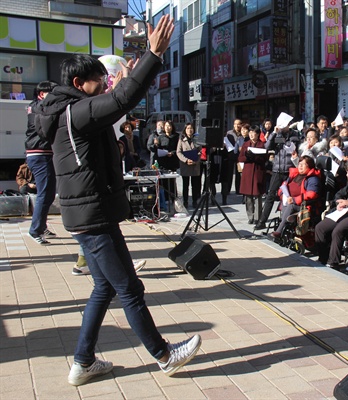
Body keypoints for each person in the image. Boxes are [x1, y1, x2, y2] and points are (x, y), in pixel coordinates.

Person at [35, 15, 201, 386]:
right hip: (92, 215)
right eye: (100, 81)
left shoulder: (70, 112)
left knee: (105, 287)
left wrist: (126, 78)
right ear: (80, 84)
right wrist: (152, 55)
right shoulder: (77, 112)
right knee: (130, 288)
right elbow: (122, 98)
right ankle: (163, 355)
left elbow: (117, 98)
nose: (104, 86)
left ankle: (83, 361)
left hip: (88, 213)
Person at [25, 80, 59, 244]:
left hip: (43, 153)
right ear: (41, 94)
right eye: (51, 92)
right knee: (45, 193)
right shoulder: (39, 108)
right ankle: (35, 230)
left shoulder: (38, 106)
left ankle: (41, 226)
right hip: (39, 154)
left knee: (49, 193)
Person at [254, 126, 300, 230]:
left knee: (288, 196)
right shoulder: (277, 135)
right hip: (277, 170)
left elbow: (296, 148)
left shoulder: (295, 135)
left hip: (290, 169)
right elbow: (267, 147)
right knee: (270, 195)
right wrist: (274, 133)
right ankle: (262, 221)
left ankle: (286, 221)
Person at [271, 156, 321, 237]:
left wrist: (294, 200)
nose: (300, 166)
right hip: (288, 201)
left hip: (303, 205)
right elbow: (284, 185)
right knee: (287, 204)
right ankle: (285, 222)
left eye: (303, 164)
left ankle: (279, 231)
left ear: (310, 166)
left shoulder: (312, 178)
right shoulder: (295, 175)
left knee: (291, 205)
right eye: (299, 164)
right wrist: (282, 194)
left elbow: (312, 194)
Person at [238, 125, 267, 224]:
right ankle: (250, 216)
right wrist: (248, 157)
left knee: (257, 195)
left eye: (253, 132)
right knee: (248, 196)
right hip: (247, 172)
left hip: (257, 171)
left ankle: (257, 217)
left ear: (258, 134)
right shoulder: (246, 144)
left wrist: (255, 157)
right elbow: (240, 158)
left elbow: (264, 159)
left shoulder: (261, 145)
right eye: (249, 132)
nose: (251, 134)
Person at [176, 123, 201, 209]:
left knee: (195, 185)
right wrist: (186, 160)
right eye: (188, 128)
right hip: (185, 165)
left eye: (191, 128)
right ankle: (185, 201)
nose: (190, 130)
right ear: (185, 130)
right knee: (185, 185)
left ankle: (195, 201)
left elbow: (200, 152)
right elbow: (178, 152)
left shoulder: (197, 139)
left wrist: (196, 160)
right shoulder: (181, 139)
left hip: (195, 165)